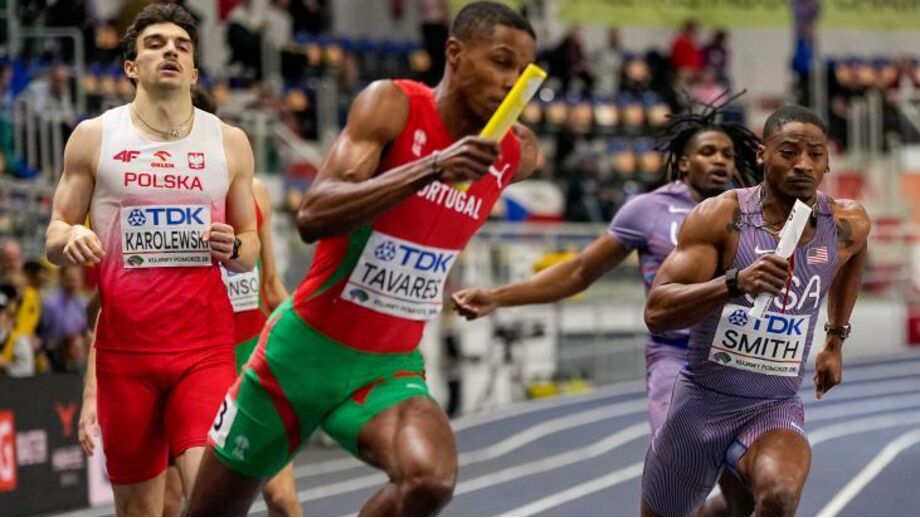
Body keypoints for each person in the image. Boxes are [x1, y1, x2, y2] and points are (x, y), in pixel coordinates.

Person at [186, 2, 540, 515]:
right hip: (298, 358)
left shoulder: (515, 152)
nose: (512, 82)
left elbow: (533, 163)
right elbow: (313, 214)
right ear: (455, 54)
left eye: (522, 72)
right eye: (501, 62)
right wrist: (431, 167)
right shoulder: (392, 105)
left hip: (388, 369)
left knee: (429, 481)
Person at [453, 95, 760, 514]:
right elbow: (579, 271)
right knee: (679, 473)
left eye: (727, 153)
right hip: (676, 359)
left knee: (747, 499)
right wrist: (497, 296)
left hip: (736, 361)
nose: (720, 161)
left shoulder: (750, 212)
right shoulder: (647, 211)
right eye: (707, 151)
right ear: (684, 162)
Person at [48, 4, 258, 515]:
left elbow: (250, 245)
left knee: (212, 502)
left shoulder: (229, 143)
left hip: (205, 351)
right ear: (131, 66)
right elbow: (54, 233)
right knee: (139, 512)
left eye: (182, 46)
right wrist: (70, 238)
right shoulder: (94, 137)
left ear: (194, 72)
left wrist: (234, 248)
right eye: (155, 43)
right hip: (127, 358)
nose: (170, 50)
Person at [641, 105, 870, 516]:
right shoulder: (722, 216)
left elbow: (853, 256)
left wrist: (835, 340)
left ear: (828, 162)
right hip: (700, 404)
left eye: (815, 154)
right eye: (789, 152)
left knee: (779, 496)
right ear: (763, 154)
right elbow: (657, 311)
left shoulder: (847, 222)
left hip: (773, 406)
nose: (803, 164)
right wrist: (734, 282)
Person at [161, 177, 302, 516]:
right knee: (173, 503)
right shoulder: (167, 194)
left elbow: (269, 284)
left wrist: (305, 338)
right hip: (193, 363)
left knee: (281, 497)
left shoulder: (256, 191)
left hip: (249, 363)